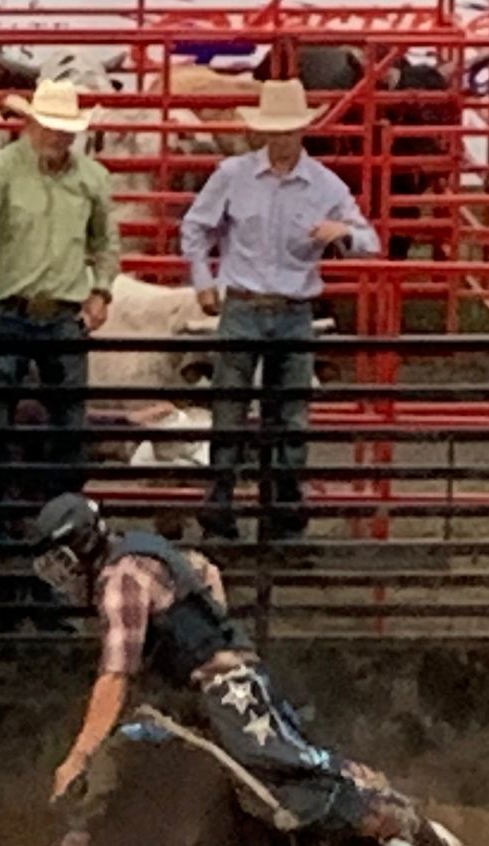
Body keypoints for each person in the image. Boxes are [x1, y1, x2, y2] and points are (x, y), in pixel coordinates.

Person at [0, 494, 425, 846]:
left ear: (84, 546)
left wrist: (78, 754)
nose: (60, 575)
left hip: (227, 688)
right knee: (118, 762)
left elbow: (114, 676)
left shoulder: (120, 580)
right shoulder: (141, 553)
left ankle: (385, 818)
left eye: (62, 561)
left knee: (273, 769)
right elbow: (205, 570)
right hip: (191, 694)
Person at [179, 78, 380, 541]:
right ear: (264, 133)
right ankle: (226, 508)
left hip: (290, 308)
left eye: (288, 131)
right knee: (233, 411)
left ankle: (278, 508)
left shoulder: (324, 185)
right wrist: (202, 279)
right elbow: (195, 227)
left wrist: (342, 234)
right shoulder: (234, 175)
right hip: (249, 306)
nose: (281, 139)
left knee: (288, 416)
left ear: (300, 133)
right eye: (276, 131)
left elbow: (370, 242)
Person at [0, 78, 120, 523]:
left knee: (69, 429)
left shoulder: (91, 179)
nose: (60, 136)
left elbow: (105, 241)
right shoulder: (1, 169)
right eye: (53, 127)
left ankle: (64, 522)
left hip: (62, 312)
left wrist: (102, 289)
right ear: (33, 125)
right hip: (9, 308)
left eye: (65, 128)